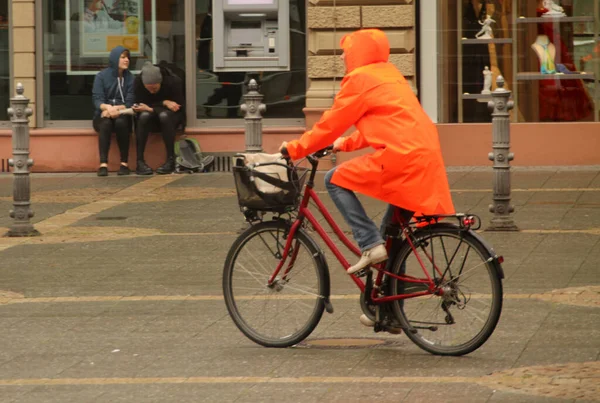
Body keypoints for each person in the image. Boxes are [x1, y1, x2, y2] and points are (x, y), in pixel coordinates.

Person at [279, 29, 455, 327]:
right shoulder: (389, 74)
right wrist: (343, 144)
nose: (344, 57)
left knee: (334, 179)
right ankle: (388, 311)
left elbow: (329, 124)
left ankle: (369, 243)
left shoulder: (359, 80)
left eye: (346, 52)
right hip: (423, 157)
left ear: (356, 53)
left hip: (402, 160)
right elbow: (384, 122)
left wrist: (294, 148)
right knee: (393, 234)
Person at [133, 61, 185, 175]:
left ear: (160, 82)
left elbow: (178, 107)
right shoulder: (138, 83)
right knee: (143, 116)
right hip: (150, 115)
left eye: (155, 89)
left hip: (170, 117)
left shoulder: (173, 82)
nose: (152, 92)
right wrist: (163, 103)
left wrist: (155, 107)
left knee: (164, 116)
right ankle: (140, 161)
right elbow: (140, 104)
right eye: (149, 89)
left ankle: (170, 159)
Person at [92, 45, 135, 176]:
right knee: (105, 123)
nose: (126, 60)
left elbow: (129, 101)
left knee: (121, 123)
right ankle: (103, 164)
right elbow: (97, 99)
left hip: (122, 113)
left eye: (127, 57)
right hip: (104, 114)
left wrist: (116, 109)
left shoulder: (130, 78)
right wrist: (108, 108)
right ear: (115, 59)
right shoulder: (101, 76)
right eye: (123, 57)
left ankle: (124, 164)